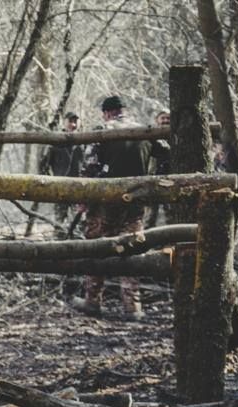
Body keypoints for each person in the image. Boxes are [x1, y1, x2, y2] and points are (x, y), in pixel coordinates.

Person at [71, 95, 152, 321]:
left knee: (97, 248)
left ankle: (93, 300)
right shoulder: (145, 131)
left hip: (104, 202)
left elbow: (89, 165)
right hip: (136, 200)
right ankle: (132, 305)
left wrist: (84, 198)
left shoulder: (102, 130)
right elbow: (164, 156)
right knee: (131, 249)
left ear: (107, 113)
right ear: (123, 110)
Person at [40, 112, 83, 232]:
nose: (73, 125)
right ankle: (58, 244)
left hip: (79, 188)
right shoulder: (56, 142)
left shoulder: (84, 141)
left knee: (79, 223)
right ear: (64, 122)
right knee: (59, 222)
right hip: (60, 188)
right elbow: (44, 165)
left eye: (76, 121)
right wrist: (48, 183)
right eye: (70, 121)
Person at [146, 110, 171, 227]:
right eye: (163, 118)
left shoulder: (174, 138)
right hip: (153, 178)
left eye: (168, 118)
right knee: (150, 213)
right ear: (157, 120)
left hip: (171, 179)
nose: (165, 121)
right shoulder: (152, 137)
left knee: (169, 212)